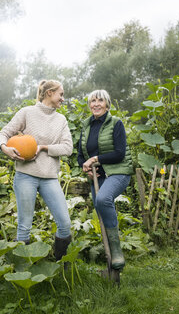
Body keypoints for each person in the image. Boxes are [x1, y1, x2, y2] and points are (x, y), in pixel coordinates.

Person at [0, 80, 73, 261]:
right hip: (25, 176)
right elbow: (3, 134)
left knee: (65, 223)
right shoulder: (27, 113)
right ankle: (22, 268)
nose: (63, 98)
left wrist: (44, 147)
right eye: (60, 94)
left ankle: (60, 265)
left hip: (49, 178)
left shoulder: (61, 120)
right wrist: (4, 148)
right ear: (49, 93)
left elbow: (68, 148)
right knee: (24, 226)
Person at [78, 90, 133, 270]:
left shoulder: (116, 123)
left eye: (100, 100)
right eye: (93, 101)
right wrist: (86, 168)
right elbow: (80, 156)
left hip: (118, 172)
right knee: (99, 207)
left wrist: (95, 160)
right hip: (98, 175)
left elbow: (119, 153)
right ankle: (109, 258)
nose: (96, 104)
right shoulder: (86, 127)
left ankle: (116, 251)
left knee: (103, 199)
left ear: (107, 104)